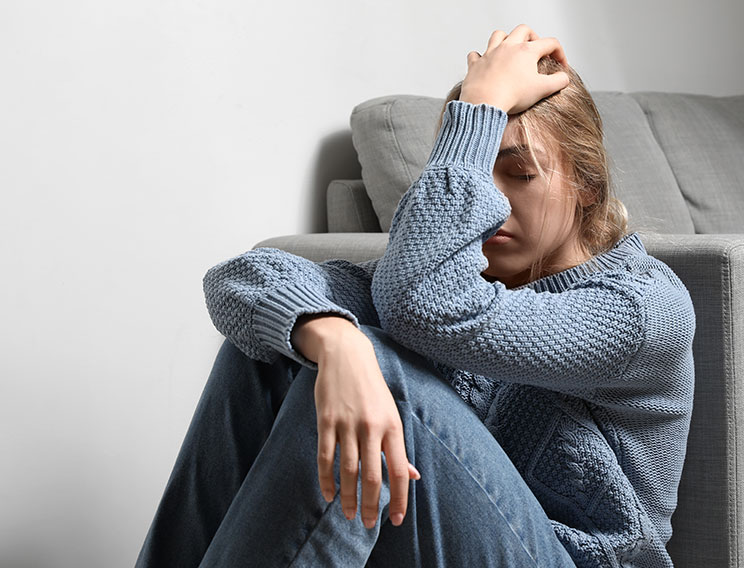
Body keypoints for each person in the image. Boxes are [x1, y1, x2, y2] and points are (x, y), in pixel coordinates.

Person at [136, 25, 695, 568]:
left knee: (380, 374)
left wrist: (479, 108)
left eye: (520, 173)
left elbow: (420, 305)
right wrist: (332, 340)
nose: (494, 205)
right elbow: (239, 279)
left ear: (587, 186)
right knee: (279, 345)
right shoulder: (468, 283)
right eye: (480, 173)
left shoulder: (638, 309)